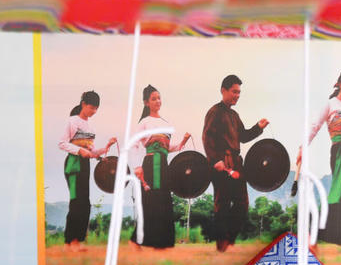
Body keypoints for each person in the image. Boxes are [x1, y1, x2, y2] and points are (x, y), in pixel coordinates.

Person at [301, 66, 341, 251]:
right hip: (339, 153)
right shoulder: (330, 104)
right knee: (339, 193)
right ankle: (312, 231)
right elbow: (315, 126)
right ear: (340, 85)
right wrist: (302, 148)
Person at [202, 75, 268, 253]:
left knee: (242, 203)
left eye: (239, 92)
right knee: (222, 203)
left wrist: (258, 128)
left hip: (237, 162)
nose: (237, 95)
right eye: (234, 92)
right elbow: (207, 137)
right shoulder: (214, 112)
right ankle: (221, 245)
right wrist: (215, 160)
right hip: (221, 162)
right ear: (223, 90)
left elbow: (243, 137)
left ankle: (230, 240)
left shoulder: (234, 115)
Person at [129, 84, 191, 250]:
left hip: (163, 165)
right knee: (151, 201)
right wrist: (136, 166)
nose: (158, 101)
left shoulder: (167, 123)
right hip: (150, 165)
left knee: (163, 201)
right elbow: (134, 145)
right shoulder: (144, 122)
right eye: (154, 98)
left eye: (159, 98)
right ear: (146, 102)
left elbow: (167, 148)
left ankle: (160, 243)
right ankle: (136, 240)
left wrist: (183, 142)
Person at [58, 90, 116, 252]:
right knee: (77, 202)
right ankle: (70, 242)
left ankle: (77, 241)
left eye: (96, 108)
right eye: (91, 107)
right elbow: (62, 143)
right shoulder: (72, 121)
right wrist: (79, 151)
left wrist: (106, 148)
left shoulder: (90, 126)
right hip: (73, 165)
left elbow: (92, 151)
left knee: (85, 203)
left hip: (85, 165)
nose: (94, 111)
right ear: (83, 104)